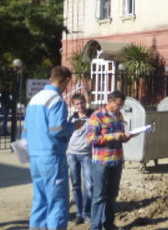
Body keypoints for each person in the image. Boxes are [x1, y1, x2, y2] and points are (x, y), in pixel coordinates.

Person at [23, 66, 80, 230]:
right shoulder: (56, 100)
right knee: (58, 202)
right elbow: (57, 129)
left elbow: (25, 131)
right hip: (52, 156)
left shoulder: (35, 99)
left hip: (35, 156)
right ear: (66, 81)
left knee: (40, 199)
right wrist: (74, 125)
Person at [87, 91, 131, 230]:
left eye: (122, 105)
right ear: (110, 101)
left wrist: (125, 137)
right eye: (118, 105)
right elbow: (91, 139)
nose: (119, 108)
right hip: (102, 161)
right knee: (99, 195)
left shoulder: (118, 115)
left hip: (117, 160)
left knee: (112, 194)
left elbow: (119, 136)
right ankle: (95, 226)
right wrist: (112, 136)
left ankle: (108, 223)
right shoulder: (97, 116)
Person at [67, 93, 94, 225]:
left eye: (81, 103)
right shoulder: (72, 118)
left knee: (89, 185)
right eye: (77, 104)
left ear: (85, 101)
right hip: (72, 153)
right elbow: (66, 133)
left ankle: (87, 212)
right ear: (74, 105)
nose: (80, 106)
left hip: (87, 154)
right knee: (76, 185)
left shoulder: (92, 116)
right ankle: (79, 213)